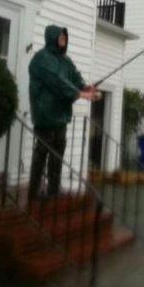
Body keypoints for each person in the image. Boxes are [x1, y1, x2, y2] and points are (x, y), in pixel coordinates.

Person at [28, 25, 99, 201]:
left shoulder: (65, 60)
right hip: (45, 116)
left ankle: (53, 190)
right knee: (41, 153)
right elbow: (57, 81)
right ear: (52, 38)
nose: (63, 41)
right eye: (60, 38)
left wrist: (86, 87)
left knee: (57, 155)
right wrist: (80, 94)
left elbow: (74, 77)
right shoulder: (41, 58)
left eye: (64, 38)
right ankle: (33, 192)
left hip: (61, 116)